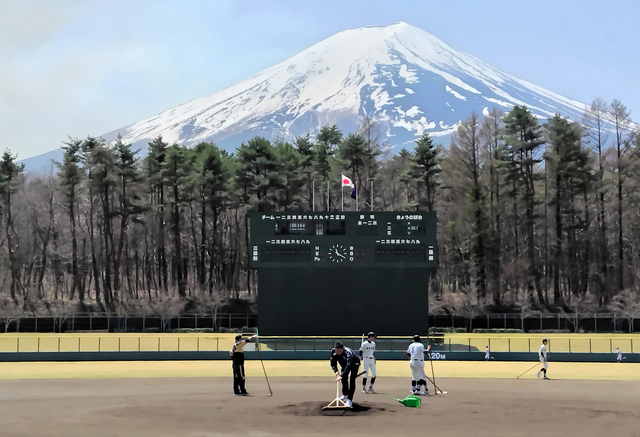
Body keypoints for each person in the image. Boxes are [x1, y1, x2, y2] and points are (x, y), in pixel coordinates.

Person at [330, 341, 361, 408]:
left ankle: (349, 400)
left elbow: (348, 365)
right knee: (344, 379)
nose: (337, 352)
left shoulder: (348, 353)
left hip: (354, 363)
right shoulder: (333, 352)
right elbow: (333, 363)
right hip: (344, 364)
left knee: (352, 380)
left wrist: (341, 376)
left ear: (342, 349)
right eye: (336, 350)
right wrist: (336, 372)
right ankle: (345, 394)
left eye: (339, 351)